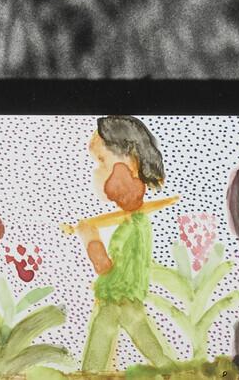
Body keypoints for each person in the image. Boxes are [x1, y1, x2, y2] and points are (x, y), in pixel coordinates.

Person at [81, 115, 173, 372]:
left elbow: (105, 266)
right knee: (140, 336)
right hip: (125, 298)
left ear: (130, 161)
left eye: (102, 161)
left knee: (107, 333)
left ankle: (90, 374)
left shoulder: (131, 230)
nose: (97, 170)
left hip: (117, 295)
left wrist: (91, 240)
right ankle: (172, 372)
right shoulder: (137, 224)